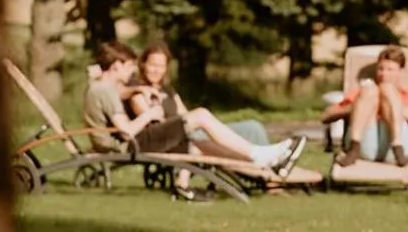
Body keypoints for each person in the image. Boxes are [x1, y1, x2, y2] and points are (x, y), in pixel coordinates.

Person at [81, 41, 304, 198]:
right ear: (116, 66)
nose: (131, 71)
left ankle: (262, 162)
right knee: (200, 115)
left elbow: (116, 90)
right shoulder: (105, 91)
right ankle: (260, 156)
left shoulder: (101, 87)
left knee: (201, 141)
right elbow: (127, 130)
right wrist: (150, 114)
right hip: (132, 144)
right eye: (130, 66)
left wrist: (99, 73)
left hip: (134, 140)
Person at [128, 45, 272, 150]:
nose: (156, 70)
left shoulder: (168, 90)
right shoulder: (137, 89)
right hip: (173, 139)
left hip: (192, 131)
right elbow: (153, 122)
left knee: (254, 127)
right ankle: (259, 158)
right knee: (207, 124)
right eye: (153, 65)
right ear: (143, 64)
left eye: (161, 66)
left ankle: (272, 169)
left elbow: (184, 114)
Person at [320, 45, 408, 167]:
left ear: (401, 72)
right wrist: (357, 108)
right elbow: (325, 116)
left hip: (398, 148)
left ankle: (397, 146)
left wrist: (391, 106)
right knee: (370, 90)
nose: (383, 74)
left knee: (387, 89)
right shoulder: (364, 94)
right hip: (365, 145)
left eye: (390, 69)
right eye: (380, 69)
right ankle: (354, 147)